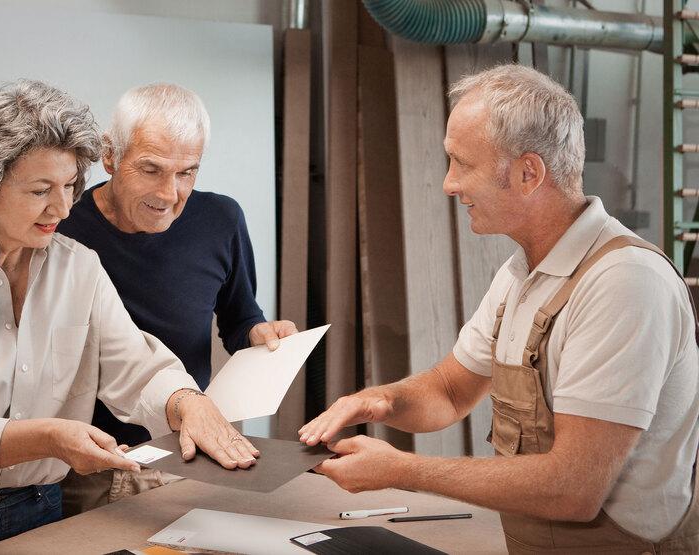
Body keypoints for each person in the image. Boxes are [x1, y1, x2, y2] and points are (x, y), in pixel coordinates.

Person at [299, 64, 699, 553]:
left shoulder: (624, 283)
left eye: (461, 164)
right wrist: (380, 401)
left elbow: (574, 489)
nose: (448, 184)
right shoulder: (521, 273)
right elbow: (450, 391)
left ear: (529, 173)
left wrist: (402, 470)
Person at [0, 80, 258, 554]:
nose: (63, 206)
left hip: (39, 510)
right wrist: (50, 437)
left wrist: (185, 401)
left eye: (71, 185)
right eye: (40, 190)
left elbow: (135, 367)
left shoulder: (79, 266)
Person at [57, 83, 297, 514]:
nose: (170, 193)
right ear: (110, 156)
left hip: (182, 456)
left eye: (187, 172)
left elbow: (241, 318)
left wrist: (259, 334)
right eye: (151, 169)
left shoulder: (221, 220)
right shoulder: (61, 228)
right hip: (84, 465)